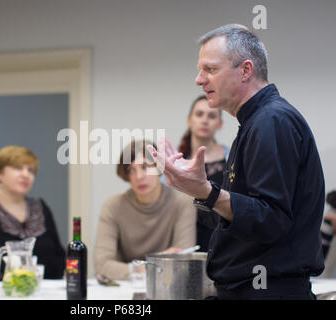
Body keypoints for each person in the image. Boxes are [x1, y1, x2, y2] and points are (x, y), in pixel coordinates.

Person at [148, 24, 325, 299]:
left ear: (245, 70)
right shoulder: (256, 122)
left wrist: (207, 192)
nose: (199, 79)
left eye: (210, 69)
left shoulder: (271, 122)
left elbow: (270, 219)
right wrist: (194, 190)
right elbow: (239, 219)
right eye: (200, 69)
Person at [94, 140, 196, 281]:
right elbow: (102, 264)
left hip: (169, 285)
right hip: (126, 288)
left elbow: (184, 258)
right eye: (131, 170)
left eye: (145, 167)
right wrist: (152, 266)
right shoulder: (113, 206)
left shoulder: (182, 202)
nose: (139, 177)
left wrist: (134, 269)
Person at [0, 145, 65, 281]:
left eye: (31, 171)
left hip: (45, 290)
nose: (26, 175)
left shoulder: (40, 206)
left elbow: (58, 255)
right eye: (18, 168)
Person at [178, 95, 228, 252]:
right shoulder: (175, 163)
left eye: (211, 116)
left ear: (220, 124)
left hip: (226, 241)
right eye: (199, 114)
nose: (205, 120)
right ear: (189, 120)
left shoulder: (233, 158)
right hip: (187, 244)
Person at [322, 190, 336, 259]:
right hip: (319, 239)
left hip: (325, 243)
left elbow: (334, 230)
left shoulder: (333, 213)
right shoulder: (330, 210)